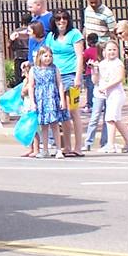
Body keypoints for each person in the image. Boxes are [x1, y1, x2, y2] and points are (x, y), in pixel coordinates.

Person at [46, 9, 84, 156]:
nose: (61, 21)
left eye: (64, 18)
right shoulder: (51, 36)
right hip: (56, 76)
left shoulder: (74, 34)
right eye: (58, 19)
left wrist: (78, 78)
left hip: (71, 75)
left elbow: (79, 57)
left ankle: (78, 147)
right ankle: (67, 146)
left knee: (73, 111)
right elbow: (47, 54)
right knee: (63, 113)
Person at [91, 40, 128, 153]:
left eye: (114, 49)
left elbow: (119, 78)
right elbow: (95, 80)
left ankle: (110, 144)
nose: (112, 52)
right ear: (104, 51)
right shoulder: (102, 64)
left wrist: (105, 87)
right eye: (109, 49)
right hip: (108, 96)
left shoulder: (118, 63)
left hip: (117, 94)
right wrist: (93, 69)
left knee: (110, 119)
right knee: (117, 120)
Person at [26, 46, 67, 159]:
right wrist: (32, 102)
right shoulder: (34, 70)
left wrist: (62, 99)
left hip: (52, 98)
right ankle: (45, 149)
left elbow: (59, 83)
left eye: (50, 56)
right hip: (41, 99)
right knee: (43, 126)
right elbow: (31, 86)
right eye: (45, 56)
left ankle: (59, 149)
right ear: (40, 56)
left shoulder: (54, 69)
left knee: (54, 124)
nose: (48, 58)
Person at [81, 32, 99, 112]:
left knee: (90, 88)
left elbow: (83, 59)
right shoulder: (99, 50)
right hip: (98, 71)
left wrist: (83, 67)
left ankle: (89, 104)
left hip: (89, 72)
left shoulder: (87, 51)